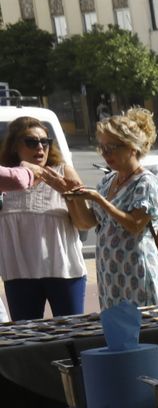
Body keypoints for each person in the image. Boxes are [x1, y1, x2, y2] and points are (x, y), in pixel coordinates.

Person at [0, 118, 95, 318]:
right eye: (32, 142)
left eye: (45, 142)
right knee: (27, 340)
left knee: (72, 336)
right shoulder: (6, 180)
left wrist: (68, 195)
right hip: (19, 273)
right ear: (15, 146)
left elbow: (85, 222)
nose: (40, 147)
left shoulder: (63, 171)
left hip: (64, 272)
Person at [78, 109, 158, 309]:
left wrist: (100, 200)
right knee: (118, 332)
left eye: (112, 147)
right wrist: (69, 192)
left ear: (132, 147)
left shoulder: (146, 182)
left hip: (136, 271)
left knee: (145, 331)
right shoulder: (109, 180)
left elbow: (135, 225)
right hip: (111, 275)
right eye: (102, 148)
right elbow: (90, 221)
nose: (105, 154)